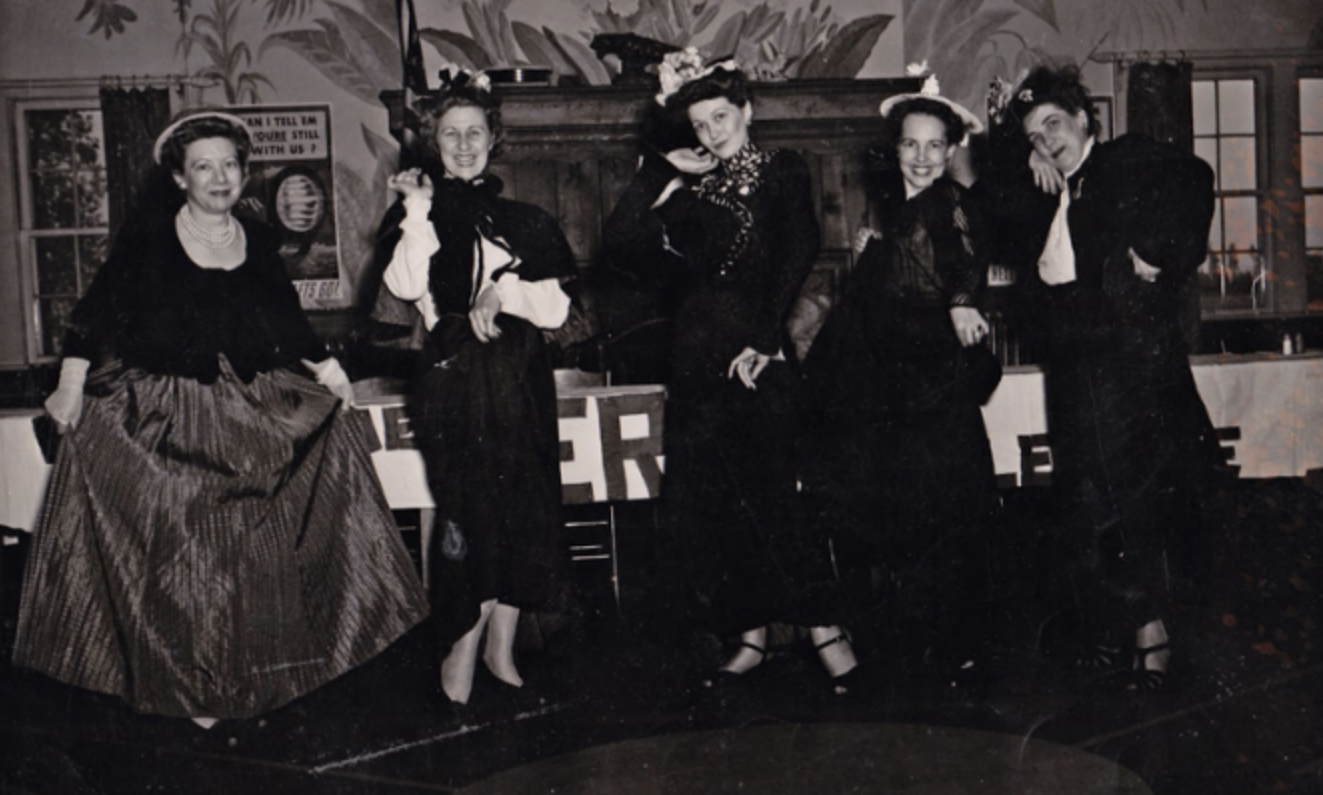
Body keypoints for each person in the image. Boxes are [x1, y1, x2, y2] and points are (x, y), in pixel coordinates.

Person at [13, 112, 429, 728]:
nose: (219, 177)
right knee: (187, 556)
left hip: (250, 408)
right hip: (165, 413)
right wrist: (72, 383)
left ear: (243, 173)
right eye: (203, 166)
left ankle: (248, 682)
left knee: (250, 554)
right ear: (180, 178)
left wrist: (330, 373)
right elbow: (97, 311)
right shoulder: (150, 239)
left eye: (229, 165)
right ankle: (189, 687)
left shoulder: (258, 240)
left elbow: (284, 320)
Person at [603, 49, 857, 692]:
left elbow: (799, 249)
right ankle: (750, 638)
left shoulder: (782, 169)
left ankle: (826, 633)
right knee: (718, 505)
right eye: (702, 125)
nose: (713, 134)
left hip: (758, 352)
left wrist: (768, 341)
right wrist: (661, 171)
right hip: (697, 358)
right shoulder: (689, 191)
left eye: (722, 117)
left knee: (778, 497)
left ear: (746, 110)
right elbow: (621, 245)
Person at [979, 65, 1222, 689]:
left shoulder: (1124, 159)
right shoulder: (1044, 190)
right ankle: (1137, 630)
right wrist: (1021, 151)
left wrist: (1157, 251)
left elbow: (1196, 177)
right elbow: (986, 211)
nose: (1047, 141)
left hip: (1134, 371)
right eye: (1035, 134)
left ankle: (1156, 641)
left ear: (1085, 119)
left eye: (1054, 125)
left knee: (1136, 503)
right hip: (1078, 374)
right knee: (1094, 508)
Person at [378, 65, 576, 705]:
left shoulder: (528, 219)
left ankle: (502, 645)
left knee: (527, 503)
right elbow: (407, 287)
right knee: (471, 507)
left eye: (475, 133)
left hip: (521, 376)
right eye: (450, 134)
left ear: (494, 139)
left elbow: (560, 310)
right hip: (456, 377)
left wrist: (509, 289)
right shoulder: (419, 213)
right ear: (433, 142)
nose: (464, 145)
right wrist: (415, 209)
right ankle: (460, 647)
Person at [798, 78, 1003, 685]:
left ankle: (953, 651)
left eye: (934, 145)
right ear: (895, 150)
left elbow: (966, 254)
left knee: (946, 516)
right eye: (911, 144)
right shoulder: (894, 216)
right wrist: (875, 256)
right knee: (915, 519)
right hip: (901, 397)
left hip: (937, 389)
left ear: (949, 151)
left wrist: (964, 301)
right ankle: (926, 650)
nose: (921, 156)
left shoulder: (948, 201)